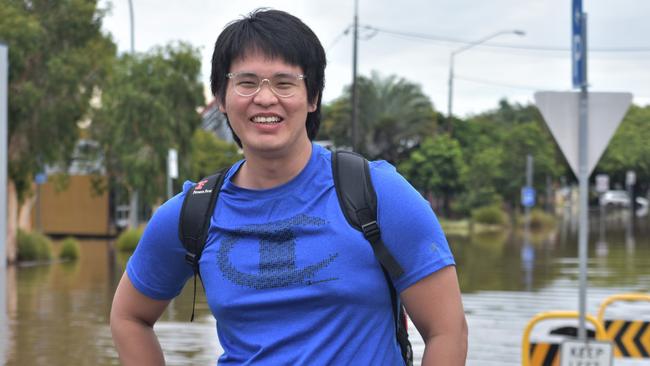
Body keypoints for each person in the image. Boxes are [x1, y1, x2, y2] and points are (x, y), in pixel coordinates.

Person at [110, 8, 467, 365]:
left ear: (312, 98)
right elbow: (129, 317)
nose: (265, 99)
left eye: (284, 83)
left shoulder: (378, 194)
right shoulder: (193, 213)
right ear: (221, 98)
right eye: (246, 82)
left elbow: (446, 330)